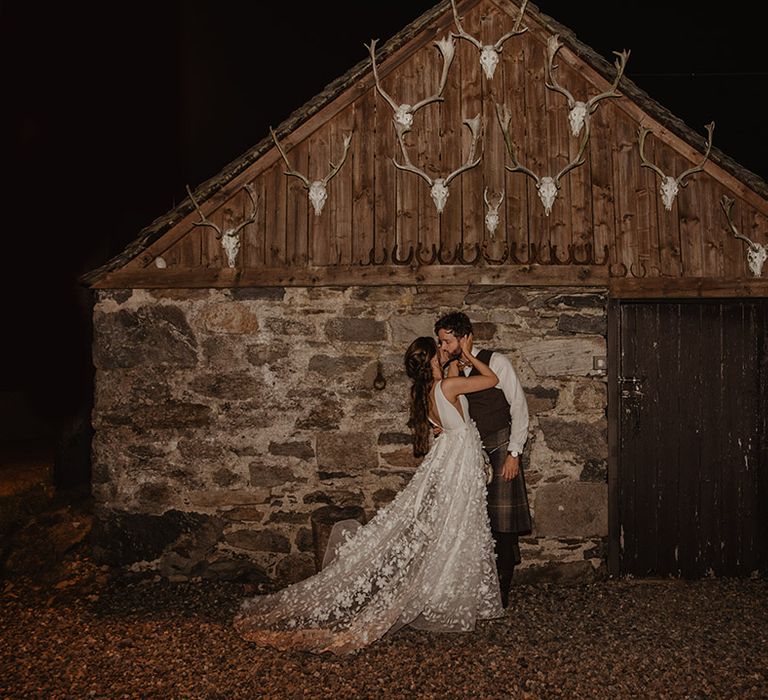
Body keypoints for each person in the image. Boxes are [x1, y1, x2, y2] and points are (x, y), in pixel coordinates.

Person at [233, 335, 504, 655]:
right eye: (439, 348)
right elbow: (492, 379)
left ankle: (449, 593)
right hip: (459, 464)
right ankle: (447, 597)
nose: (445, 349)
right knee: (458, 527)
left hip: (455, 460)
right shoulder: (445, 388)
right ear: (432, 359)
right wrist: (469, 356)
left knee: (454, 527)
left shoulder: (428, 392)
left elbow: (451, 411)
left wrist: (453, 362)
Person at [434, 311, 531, 608]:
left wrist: (514, 453)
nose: (442, 346)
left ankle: (501, 592)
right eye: (440, 341)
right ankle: (480, 586)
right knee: (478, 522)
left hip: (501, 447)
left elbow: (519, 407)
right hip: (470, 454)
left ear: (464, 338)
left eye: (447, 341)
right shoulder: (450, 371)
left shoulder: (495, 361)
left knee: (502, 523)